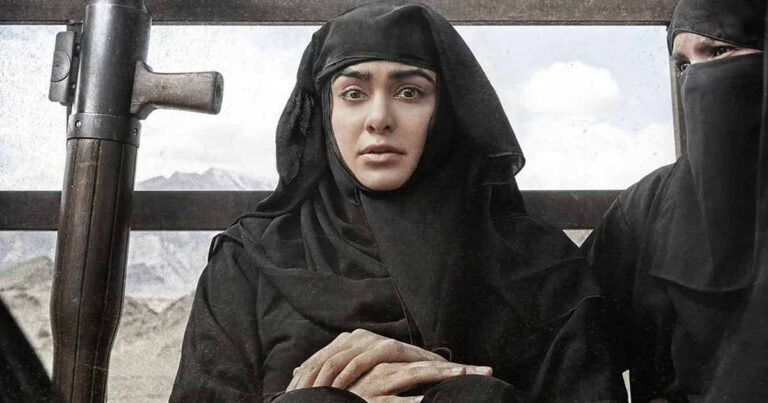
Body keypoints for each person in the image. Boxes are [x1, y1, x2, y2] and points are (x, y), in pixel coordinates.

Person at [171, 1, 624, 401]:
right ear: (326, 113)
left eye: (410, 92)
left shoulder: (543, 267)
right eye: (353, 94)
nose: (379, 119)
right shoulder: (249, 261)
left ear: (449, 110)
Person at [582, 0, 765, 401]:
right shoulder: (646, 206)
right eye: (683, 65)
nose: (696, 78)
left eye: (718, 51)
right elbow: (570, 340)